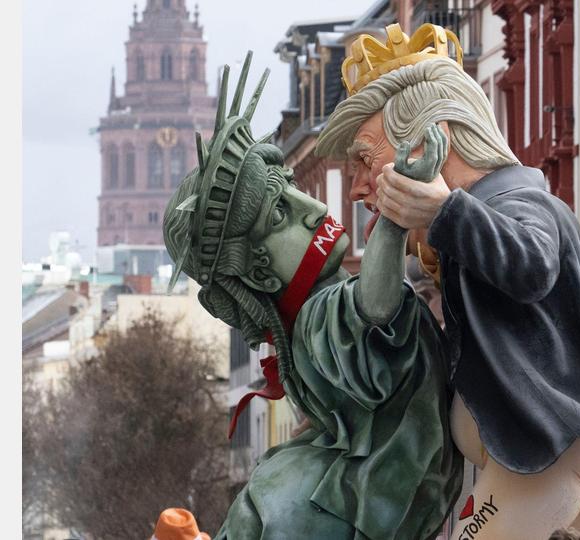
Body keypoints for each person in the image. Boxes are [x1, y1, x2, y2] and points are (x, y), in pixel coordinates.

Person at [315, 23, 580, 540]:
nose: (360, 184)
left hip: (559, 444)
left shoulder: (513, 201)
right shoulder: (488, 214)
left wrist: (445, 209)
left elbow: (531, 266)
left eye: (366, 157)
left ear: (434, 137)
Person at [163, 52, 461, 539]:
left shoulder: (306, 324)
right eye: (279, 215)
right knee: (270, 500)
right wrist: (391, 219)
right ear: (259, 271)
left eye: (291, 192)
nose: (311, 207)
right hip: (389, 481)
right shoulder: (322, 314)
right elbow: (377, 303)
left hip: (399, 469)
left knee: (269, 492)